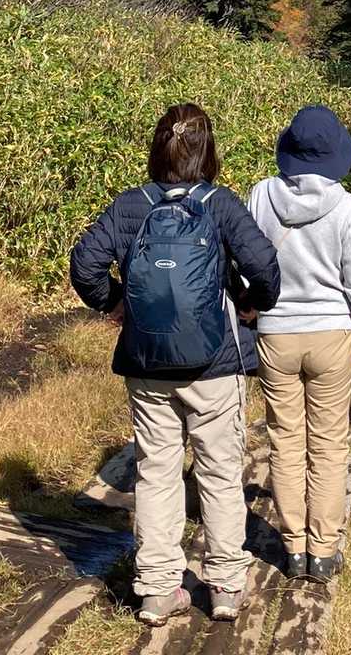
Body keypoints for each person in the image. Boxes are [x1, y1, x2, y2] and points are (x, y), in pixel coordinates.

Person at [70, 103, 280, 628]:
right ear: (207, 152)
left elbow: (85, 263)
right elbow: (264, 264)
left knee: (156, 472)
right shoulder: (220, 204)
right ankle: (225, 585)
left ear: (156, 149)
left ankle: (158, 589)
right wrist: (253, 304)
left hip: (146, 364)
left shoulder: (130, 205)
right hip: (216, 365)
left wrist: (114, 303)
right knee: (220, 472)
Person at [247, 105, 351, 583]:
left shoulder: (260, 195)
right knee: (329, 444)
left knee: (285, 440)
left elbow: (245, 265)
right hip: (332, 337)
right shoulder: (347, 207)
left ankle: (293, 548)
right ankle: (322, 551)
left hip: (275, 333)